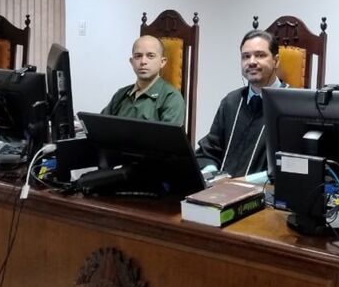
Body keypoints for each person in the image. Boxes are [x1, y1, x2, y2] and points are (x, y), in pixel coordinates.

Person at [195, 29, 286, 179]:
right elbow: (208, 151)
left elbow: (290, 167)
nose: (251, 62)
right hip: (220, 193)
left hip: (265, 196)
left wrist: (243, 183)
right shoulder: (231, 101)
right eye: (246, 56)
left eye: (260, 55)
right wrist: (213, 174)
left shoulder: (290, 108)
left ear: (276, 61)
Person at [103, 35, 185, 126]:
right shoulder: (121, 95)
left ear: (162, 62)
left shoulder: (171, 98)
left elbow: (167, 138)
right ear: (132, 62)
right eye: (138, 56)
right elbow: (100, 126)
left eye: (150, 56)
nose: (143, 62)